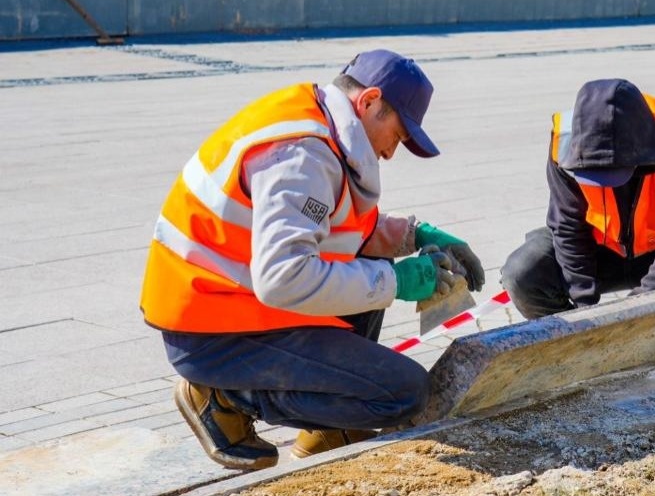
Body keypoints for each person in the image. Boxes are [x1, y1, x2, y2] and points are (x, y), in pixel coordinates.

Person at [140, 49, 485, 470]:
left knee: (364, 282)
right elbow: (284, 277)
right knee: (403, 392)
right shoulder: (303, 154)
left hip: (234, 305)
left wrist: (412, 236)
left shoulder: (317, 123)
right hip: (212, 332)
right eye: (398, 136)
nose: (392, 153)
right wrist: (396, 281)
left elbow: (336, 230)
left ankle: (329, 428)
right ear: (370, 101)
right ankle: (219, 395)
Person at [501, 79, 655, 319]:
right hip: (597, 250)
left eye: (615, 175)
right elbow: (568, 227)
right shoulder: (565, 142)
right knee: (522, 272)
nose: (606, 184)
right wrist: (584, 312)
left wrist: (634, 313)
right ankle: (571, 346)